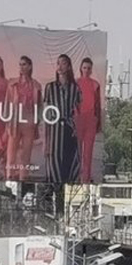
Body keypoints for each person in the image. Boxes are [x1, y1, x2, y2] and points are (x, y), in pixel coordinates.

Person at [42, 55, 81, 185]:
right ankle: (54, 186)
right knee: (54, 159)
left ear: (68, 66)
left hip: (69, 128)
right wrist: (45, 139)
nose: (60, 66)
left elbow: (79, 110)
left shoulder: (74, 88)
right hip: (54, 129)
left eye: (63, 63)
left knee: (70, 159)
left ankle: (68, 183)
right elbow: (46, 112)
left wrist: (76, 127)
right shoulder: (50, 87)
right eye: (58, 63)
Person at [6, 55, 40, 180]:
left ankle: (23, 178)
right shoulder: (12, 84)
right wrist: (7, 122)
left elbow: (39, 107)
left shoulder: (36, 85)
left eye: (24, 64)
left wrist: (36, 121)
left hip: (29, 121)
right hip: (15, 121)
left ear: (30, 66)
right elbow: (7, 103)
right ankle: (9, 176)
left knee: (26, 154)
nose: (21, 67)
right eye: (20, 64)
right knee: (11, 152)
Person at [75, 56, 103, 183]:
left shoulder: (95, 84)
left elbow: (98, 104)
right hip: (78, 119)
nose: (86, 70)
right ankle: (75, 175)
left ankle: (85, 177)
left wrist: (99, 123)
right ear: (81, 68)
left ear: (91, 70)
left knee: (88, 151)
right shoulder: (75, 83)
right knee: (77, 150)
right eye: (84, 67)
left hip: (91, 119)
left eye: (89, 68)